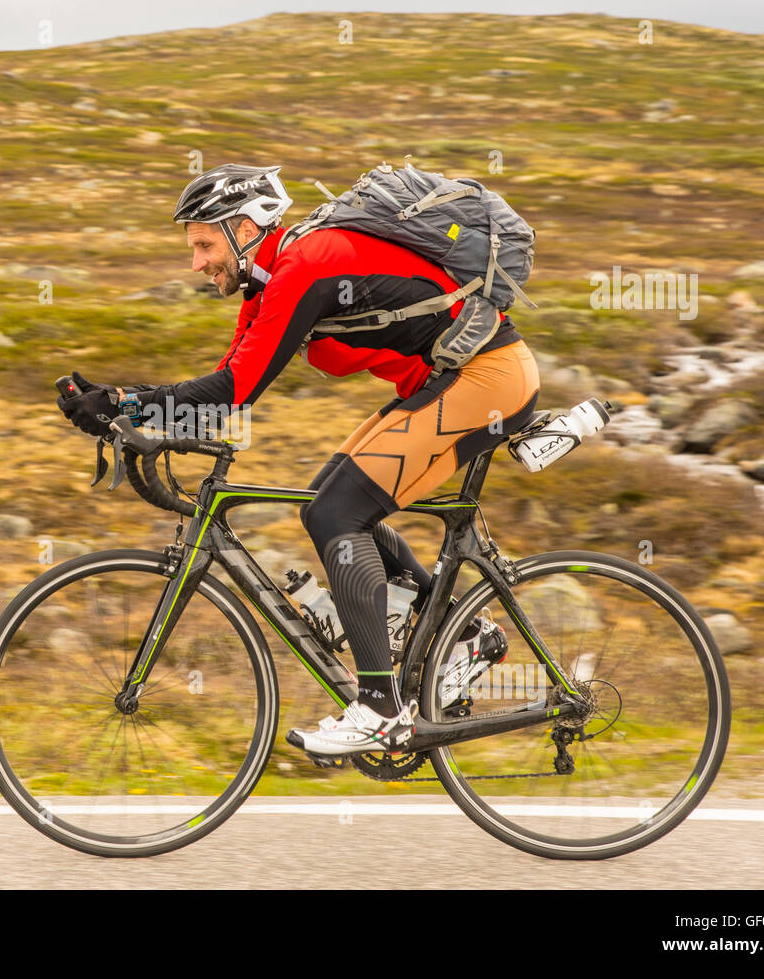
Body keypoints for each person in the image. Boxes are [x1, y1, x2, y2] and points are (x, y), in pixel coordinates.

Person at [59, 163, 539, 757]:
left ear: (246, 228)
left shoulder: (307, 265)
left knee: (341, 514)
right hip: (454, 383)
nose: (196, 264)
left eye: (205, 245)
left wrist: (132, 404)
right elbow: (220, 394)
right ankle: (466, 636)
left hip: (487, 381)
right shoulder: (272, 283)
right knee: (323, 508)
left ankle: (381, 710)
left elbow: (236, 390)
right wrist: (122, 407)